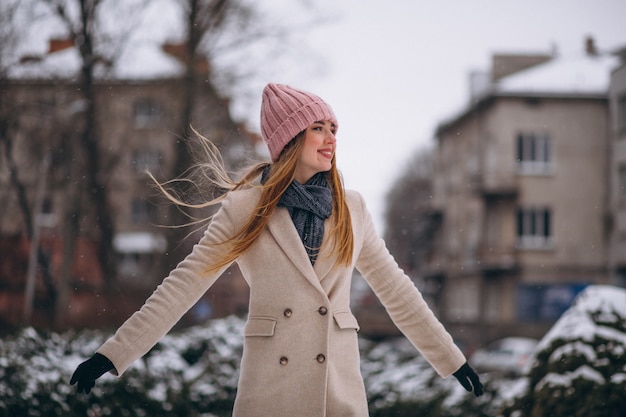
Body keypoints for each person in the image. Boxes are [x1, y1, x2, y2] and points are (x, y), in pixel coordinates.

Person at [70, 83, 483, 416]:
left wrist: (451, 358)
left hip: (336, 393)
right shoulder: (245, 209)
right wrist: (114, 354)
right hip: (271, 393)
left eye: (333, 128)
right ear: (290, 138)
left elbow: (396, 290)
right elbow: (184, 285)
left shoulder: (351, 208)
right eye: (317, 128)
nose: (330, 139)